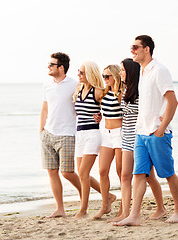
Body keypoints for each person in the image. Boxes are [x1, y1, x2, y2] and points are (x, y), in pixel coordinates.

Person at [115, 35, 178, 226]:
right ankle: (134, 216)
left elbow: (173, 101)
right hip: (140, 133)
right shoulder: (142, 72)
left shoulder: (159, 70)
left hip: (156, 133)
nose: (132, 51)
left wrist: (161, 129)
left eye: (135, 47)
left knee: (168, 173)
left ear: (146, 49)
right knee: (139, 174)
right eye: (131, 48)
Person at [108, 58, 167, 223]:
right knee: (125, 175)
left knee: (148, 176)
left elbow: (155, 108)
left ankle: (161, 208)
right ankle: (125, 213)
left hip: (140, 136)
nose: (120, 73)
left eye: (122, 70)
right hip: (126, 137)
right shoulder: (126, 90)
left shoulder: (142, 91)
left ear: (130, 71)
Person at [40, 52, 82, 218]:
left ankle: (88, 198)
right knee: (52, 172)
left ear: (61, 67)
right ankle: (60, 209)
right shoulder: (47, 85)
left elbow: (84, 105)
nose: (48, 67)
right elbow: (45, 107)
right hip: (48, 134)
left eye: (52, 64)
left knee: (67, 172)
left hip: (67, 134)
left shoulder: (75, 84)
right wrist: (41, 130)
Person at [73, 61, 115, 218]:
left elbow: (110, 106)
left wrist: (101, 115)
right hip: (80, 135)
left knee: (84, 173)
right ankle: (109, 197)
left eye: (82, 72)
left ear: (90, 74)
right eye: (79, 71)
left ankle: (83, 210)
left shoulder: (98, 92)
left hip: (92, 135)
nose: (79, 74)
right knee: (81, 174)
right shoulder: (78, 91)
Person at [94, 65, 124, 219]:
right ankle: (105, 205)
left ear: (115, 76)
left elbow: (128, 114)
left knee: (121, 172)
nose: (104, 79)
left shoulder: (121, 94)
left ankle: (124, 208)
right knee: (102, 170)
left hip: (119, 134)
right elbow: (103, 111)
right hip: (106, 133)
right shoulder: (105, 93)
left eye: (107, 76)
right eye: (103, 76)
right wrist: (98, 117)